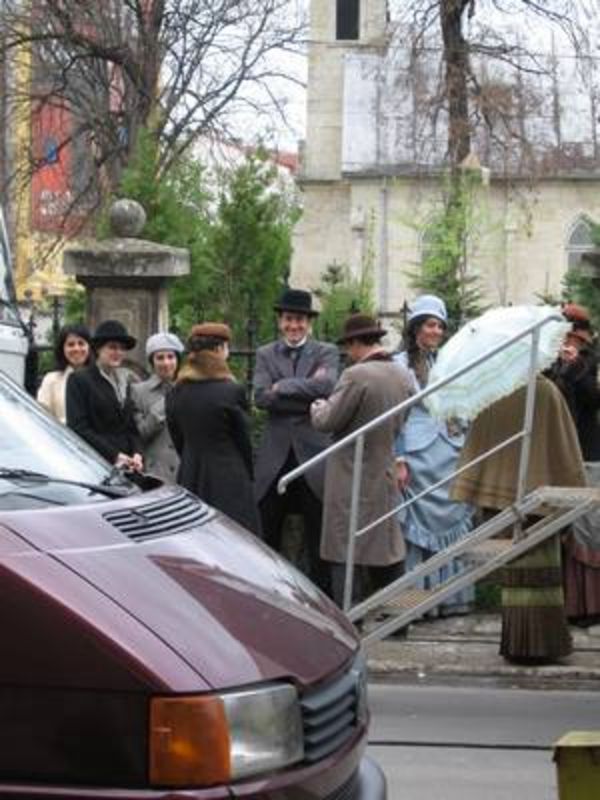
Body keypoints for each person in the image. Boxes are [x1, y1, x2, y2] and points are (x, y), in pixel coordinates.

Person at [451, 375, 586, 663]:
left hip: (501, 497)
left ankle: (517, 643)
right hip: (542, 496)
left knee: (515, 573)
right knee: (544, 571)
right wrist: (575, 485)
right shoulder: (547, 390)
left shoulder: (494, 391)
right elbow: (565, 446)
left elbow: (478, 445)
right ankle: (544, 644)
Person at [311, 314, 414, 607]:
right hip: (383, 469)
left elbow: (327, 420)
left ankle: (349, 615)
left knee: (344, 546)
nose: (347, 352)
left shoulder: (356, 376)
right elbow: (403, 420)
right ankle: (397, 617)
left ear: (357, 343)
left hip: (349, 473)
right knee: (385, 545)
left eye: (348, 346)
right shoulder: (403, 375)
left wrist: (317, 406)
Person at [254, 288, 339, 592]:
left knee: (319, 534)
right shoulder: (265, 353)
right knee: (267, 532)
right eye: (289, 319)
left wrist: (282, 387)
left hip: (313, 455)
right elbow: (261, 397)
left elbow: (327, 387)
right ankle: (268, 593)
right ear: (280, 321)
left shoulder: (326, 352)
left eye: (300, 320)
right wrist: (306, 391)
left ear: (309, 323)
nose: (294, 325)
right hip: (275, 455)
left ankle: (323, 598)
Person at [394, 295, 475, 615]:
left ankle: (450, 598)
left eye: (440, 326)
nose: (436, 331)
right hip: (417, 454)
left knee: (454, 517)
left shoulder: (447, 361)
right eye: (430, 325)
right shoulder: (399, 363)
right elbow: (394, 416)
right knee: (414, 528)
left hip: (450, 449)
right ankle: (417, 601)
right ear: (416, 327)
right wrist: (398, 457)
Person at [166, 322, 260, 534]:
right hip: (228, 479)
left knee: (195, 538)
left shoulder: (176, 391)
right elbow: (243, 440)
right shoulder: (231, 390)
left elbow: (178, 438)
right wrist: (248, 475)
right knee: (235, 538)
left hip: (190, 475)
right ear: (219, 349)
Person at [545, 303, 600, 626]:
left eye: (574, 336)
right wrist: (558, 368)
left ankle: (591, 605)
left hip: (588, 450)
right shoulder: (550, 361)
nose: (569, 342)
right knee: (565, 523)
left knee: (588, 525)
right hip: (558, 451)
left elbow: (594, 399)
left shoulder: (591, 361)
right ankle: (569, 604)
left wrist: (576, 366)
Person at [66, 320, 143, 470]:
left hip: (128, 465)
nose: (118, 352)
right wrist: (114, 455)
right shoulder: (79, 379)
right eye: (112, 347)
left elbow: (131, 426)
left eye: (122, 348)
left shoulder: (125, 381)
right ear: (98, 349)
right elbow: (79, 427)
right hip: (96, 463)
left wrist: (138, 454)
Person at [131, 332, 184, 484]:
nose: (166, 363)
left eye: (170, 357)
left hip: (185, 471)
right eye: (160, 358)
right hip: (155, 474)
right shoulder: (138, 391)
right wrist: (165, 402)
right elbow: (140, 433)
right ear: (152, 361)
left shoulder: (188, 389)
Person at [37, 323, 92, 423]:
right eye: (71, 344)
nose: (76, 348)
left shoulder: (99, 378)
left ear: (89, 347)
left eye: (81, 343)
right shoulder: (51, 380)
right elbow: (42, 418)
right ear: (62, 349)